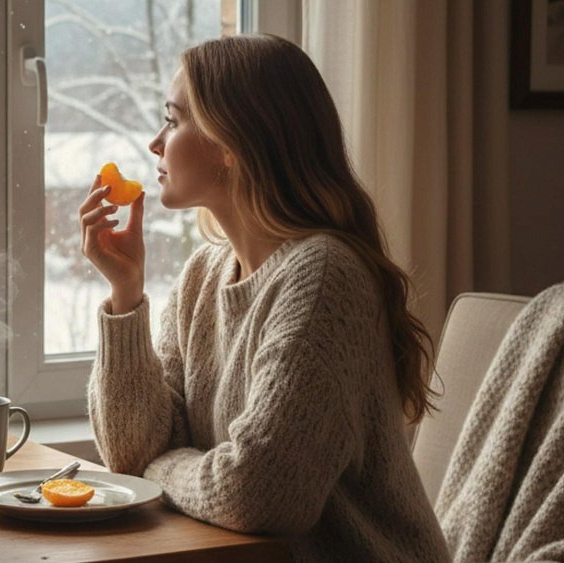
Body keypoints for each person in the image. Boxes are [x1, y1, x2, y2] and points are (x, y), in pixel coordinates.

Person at [79, 34, 450, 562]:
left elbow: (260, 494)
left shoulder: (322, 278)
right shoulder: (203, 275)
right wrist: (125, 292)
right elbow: (129, 451)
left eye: (174, 119)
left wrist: (158, 470)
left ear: (230, 145)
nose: (155, 143)